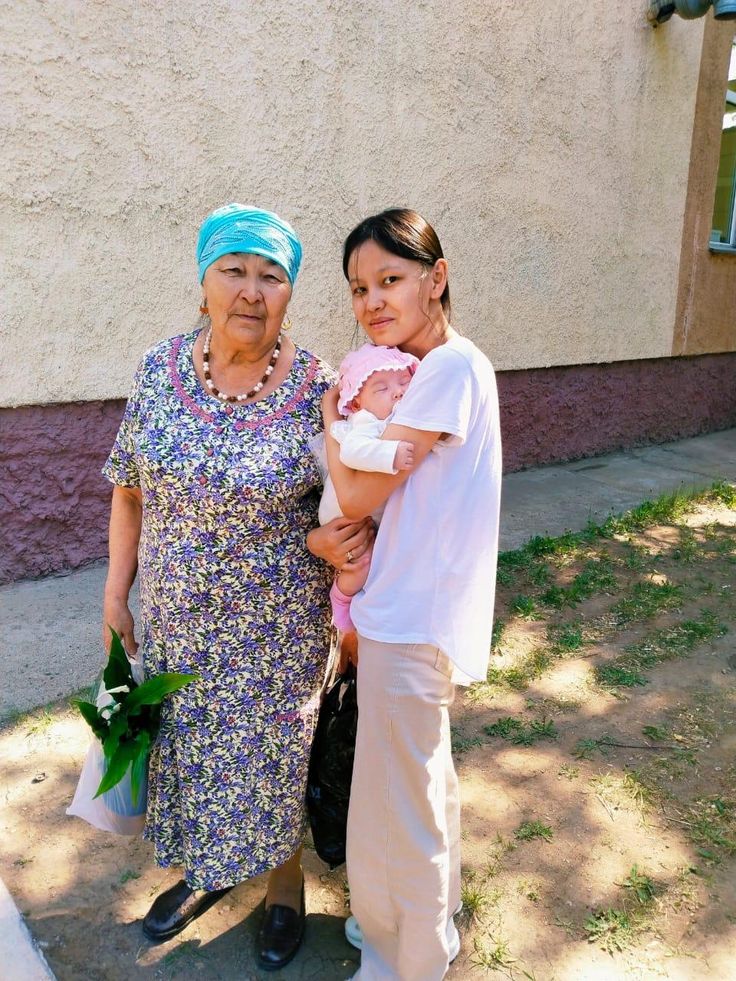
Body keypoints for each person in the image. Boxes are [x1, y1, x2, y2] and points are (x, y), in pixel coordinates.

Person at [101, 203, 372, 970]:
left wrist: (339, 548)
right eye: (234, 270)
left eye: (271, 275)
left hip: (277, 631)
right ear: (204, 282)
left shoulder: (319, 387)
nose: (252, 290)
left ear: (289, 292)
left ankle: (285, 887)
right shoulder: (157, 370)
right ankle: (208, 870)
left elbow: (352, 501)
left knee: (273, 759)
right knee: (192, 752)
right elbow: (128, 488)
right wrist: (116, 594)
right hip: (178, 622)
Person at [314, 208, 502, 980]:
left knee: (398, 799)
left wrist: (331, 420)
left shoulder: (448, 368)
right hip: (414, 609)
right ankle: (424, 929)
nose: (372, 302)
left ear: (437, 277)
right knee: (421, 782)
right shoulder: (438, 369)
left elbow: (360, 493)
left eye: (390, 279)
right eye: (359, 288)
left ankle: (404, 959)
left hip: (410, 614)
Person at [318, 343, 419, 634]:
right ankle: (341, 601)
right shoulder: (365, 421)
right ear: (357, 403)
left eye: (403, 382)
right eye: (382, 389)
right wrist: (391, 455)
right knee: (362, 562)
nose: (397, 392)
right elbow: (352, 452)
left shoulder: (389, 415)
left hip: (364, 509)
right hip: (341, 518)